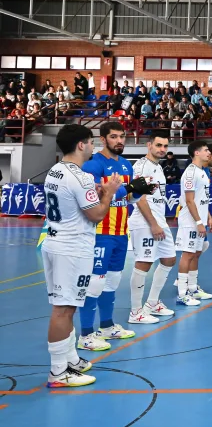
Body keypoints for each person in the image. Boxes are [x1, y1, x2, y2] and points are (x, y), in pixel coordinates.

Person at [42, 124, 124, 388]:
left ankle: (70, 359)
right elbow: (97, 215)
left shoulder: (55, 170)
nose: (92, 147)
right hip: (72, 248)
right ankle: (58, 372)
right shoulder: (81, 177)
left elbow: (72, 201)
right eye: (90, 142)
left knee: (67, 306)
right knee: (63, 309)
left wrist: (97, 194)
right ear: (81, 145)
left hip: (55, 242)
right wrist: (108, 193)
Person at [78, 121, 137, 352]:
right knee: (95, 283)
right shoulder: (93, 164)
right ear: (103, 139)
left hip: (121, 232)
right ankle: (85, 335)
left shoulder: (126, 165)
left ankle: (106, 326)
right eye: (114, 136)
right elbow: (95, 193)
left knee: (112, 281)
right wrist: (127, 189)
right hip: (101, 232)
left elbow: (126, 198)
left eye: (122, 136)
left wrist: (138, 191)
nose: (119, 140)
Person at [126, 131, 178, 324]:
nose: (162, 149)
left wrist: (159, 222)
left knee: (169, 259)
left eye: (165, 146)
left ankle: (152, 303)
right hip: (144, 221)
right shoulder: (141, 166)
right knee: (144, 262)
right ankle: (135, 312)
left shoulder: (158, 167)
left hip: (159, 219)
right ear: (149, 145)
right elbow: (139, 198)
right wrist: (153, 224)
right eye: (158, 145)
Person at [174, 141, 212, 307]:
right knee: (188, 254)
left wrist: (208, 217)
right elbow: (189, 201)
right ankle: (182, 294)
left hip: (200, 219)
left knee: (196, 253)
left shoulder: (202, 171)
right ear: (196, 153)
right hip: (189, 221)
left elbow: (202, 198)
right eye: (206, 150)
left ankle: (193, 288)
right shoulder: (190, 173)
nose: (209, 153)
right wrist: (198, 222)